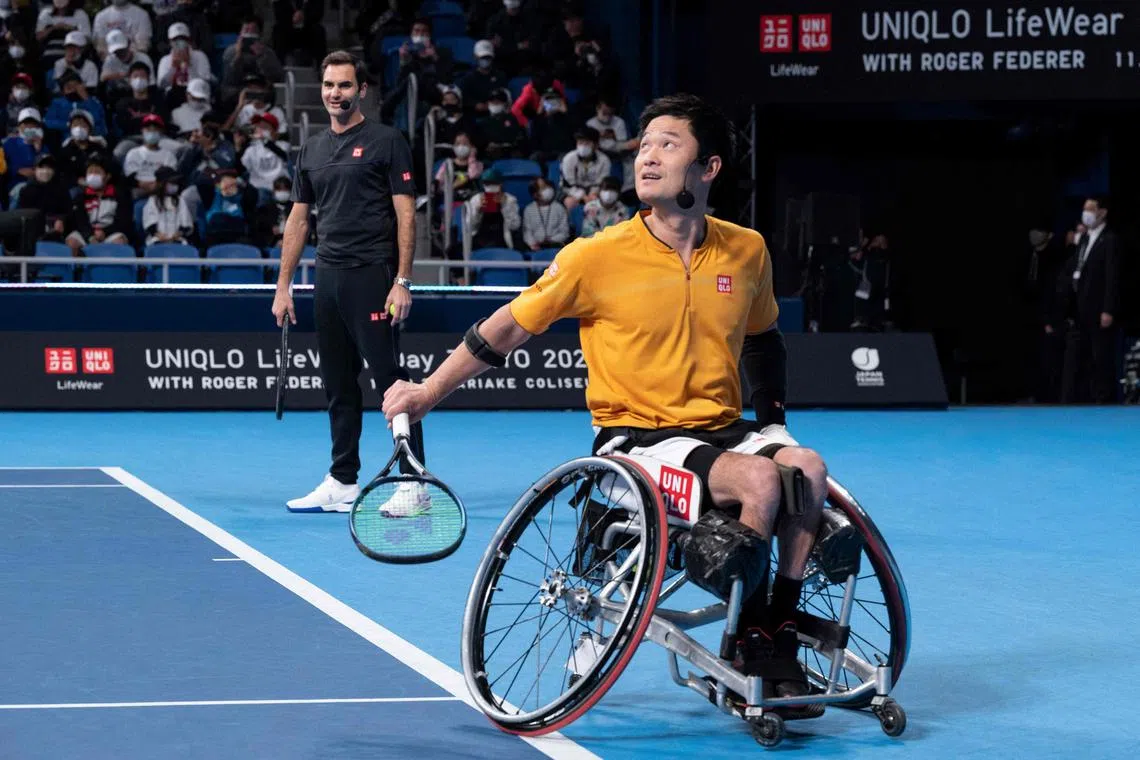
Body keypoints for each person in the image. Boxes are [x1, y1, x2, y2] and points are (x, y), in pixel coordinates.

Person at [381, 93, 828, 717]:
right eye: (643, 145)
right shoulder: (596, 256)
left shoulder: (746, 249)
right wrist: (428, 391)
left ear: (709, 168)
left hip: (723, 432)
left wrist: (773, 419)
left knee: (805, 467)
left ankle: (777, 622)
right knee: (760, 479)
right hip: (637, 444)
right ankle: (746, 645)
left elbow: (762, 337)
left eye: (668, 144)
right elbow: (506, 329)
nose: (647, 155)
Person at [271, 51, 422, 514]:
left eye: (344, 85)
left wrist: (402, 280)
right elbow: (298, 222)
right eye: (329, 85)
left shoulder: (386, 141)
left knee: (391, 382)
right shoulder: (312, 149)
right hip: (328, 278)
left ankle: (413, 483)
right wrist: (283, 286)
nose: (335, 94)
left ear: (362, 91)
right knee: (338, 384)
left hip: (373, 276)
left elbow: (405, 213)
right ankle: (342, 479)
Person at [1060, 196, 1121, 403]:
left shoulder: (1110, 239)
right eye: (1084, 209)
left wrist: (1108, 309)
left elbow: (1112, 276)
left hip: (1098, 307)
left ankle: (1103, 398)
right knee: (1078, 355)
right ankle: (1075, 398)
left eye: (1090, 210)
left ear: (1102, 213)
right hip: (1080, 306)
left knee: (1100, 355)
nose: (1086, 214)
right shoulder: (1085, 238)